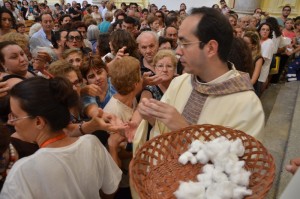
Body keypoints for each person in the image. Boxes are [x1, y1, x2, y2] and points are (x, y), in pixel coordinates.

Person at [133, 7, 265, 154]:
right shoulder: (179, 82)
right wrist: (151, 117)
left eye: (185, 43)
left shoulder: (247, 104)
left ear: (210, 48)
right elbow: (161, 130)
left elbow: (241, 166)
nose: (177, 51)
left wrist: (185, 131)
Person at [0, 76, 122, 198]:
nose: (12, 122)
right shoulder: (91, 144)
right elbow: (110, 190)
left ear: (38, 122)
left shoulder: (22, 173)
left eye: (15, 116)